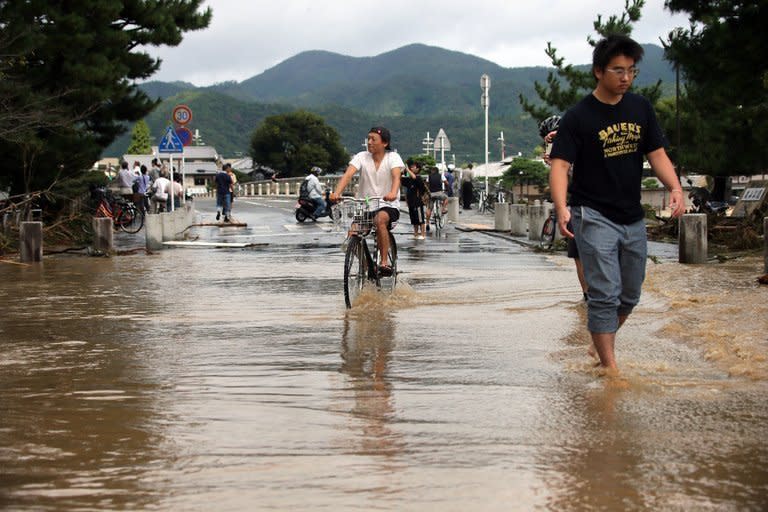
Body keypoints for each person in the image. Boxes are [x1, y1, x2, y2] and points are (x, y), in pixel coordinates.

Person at [549, 34, 685, 372]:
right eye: (618, 70)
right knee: (605, 292)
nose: (625, 78)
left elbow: (657, 154)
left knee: (630, 295)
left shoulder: (640, 108)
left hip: (632, 215)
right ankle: (610, 367)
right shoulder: (578, 116)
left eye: (631, 71)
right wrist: (561, 206)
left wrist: (676, 187)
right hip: (591, 213)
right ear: (598, 71)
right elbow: (560, 166)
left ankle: (600, 344)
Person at [330, 127, 403, 276]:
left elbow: (396, 177)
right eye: (368, 138)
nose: (369, 142)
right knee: (353, 233)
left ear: (384, 143)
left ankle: (384, 263)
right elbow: (348, 174)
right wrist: (337, 192)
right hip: (366, 206)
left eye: (373, 139)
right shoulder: (361, 156)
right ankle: (366, 266)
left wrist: (393, 193)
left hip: (388, 205)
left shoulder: (393, 157)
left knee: (380, 220)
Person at [540, 116, 588, 300]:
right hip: (577, 205)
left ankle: (595, 294)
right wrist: (557, 164)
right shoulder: (566, 154)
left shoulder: (582, 144)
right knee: (578, 253)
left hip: (592, 205)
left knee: (585, 253)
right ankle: (588, 295)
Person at [402, 159, 427, 239]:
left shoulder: (418, 178)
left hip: (418, 202)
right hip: (411, 202)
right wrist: (402, 171)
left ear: (418, 169)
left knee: (420, 218)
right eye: (411, 167)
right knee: (414, 219)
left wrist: (407, 169)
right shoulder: (409, 179)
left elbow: (414, 177)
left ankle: (423, 235)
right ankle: (415, 234)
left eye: (413, 167)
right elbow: (400, 178)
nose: (411, 168)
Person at [425, 165, 447, 231]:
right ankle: (443, 209)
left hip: (431, 194)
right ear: (437, 171)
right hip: (439, 193)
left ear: (432, 171)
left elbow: (426, 184)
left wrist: (427, 192)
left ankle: (427, 223)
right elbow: (446, 183)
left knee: (429, 208)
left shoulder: (428, 176)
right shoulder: (441, 175)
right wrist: (447, 188)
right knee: (446, 198)